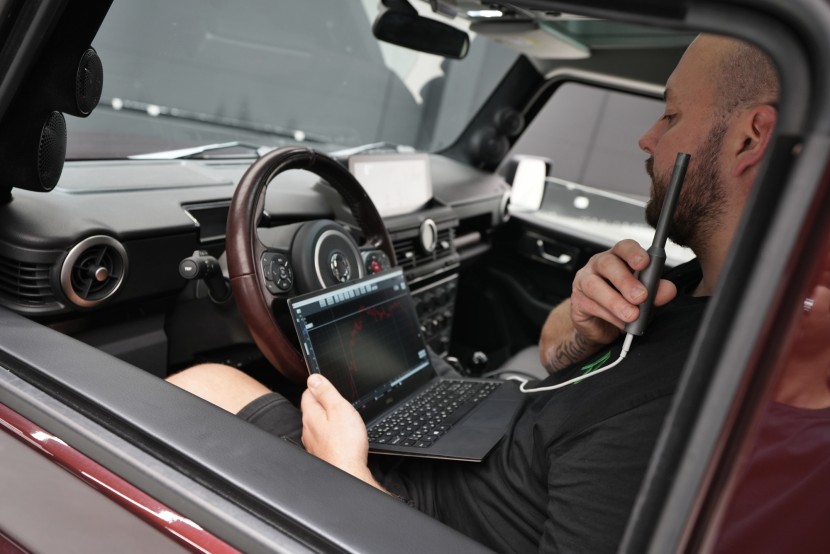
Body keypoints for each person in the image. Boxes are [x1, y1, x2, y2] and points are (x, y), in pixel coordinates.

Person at [167, 34, 779, 553]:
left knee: (206, 384)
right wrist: (586, 329)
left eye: (670, 116)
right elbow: (555, 360)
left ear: (750, 140)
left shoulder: (679, 410)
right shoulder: (695, 286)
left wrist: (349, 479)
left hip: (403, 512)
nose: (647, 139)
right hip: (485, 432)